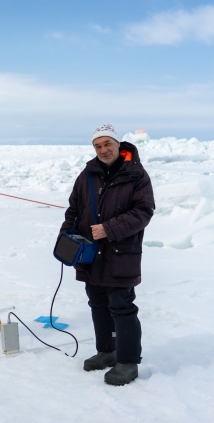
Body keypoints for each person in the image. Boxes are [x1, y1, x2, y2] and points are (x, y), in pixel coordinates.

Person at [59, 124, 155, 386]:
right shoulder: (87, 174)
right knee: (97, 303)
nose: (103, 150)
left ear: (117, 144)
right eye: (98, 146)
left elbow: (143, 212)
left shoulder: (136, 174)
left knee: (122, 306)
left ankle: (128, 361)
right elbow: (73, 209)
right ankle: (106, 351)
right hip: (90, 254)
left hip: (120, 252)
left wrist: (109, 229)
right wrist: (64, 237)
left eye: (107, 144)